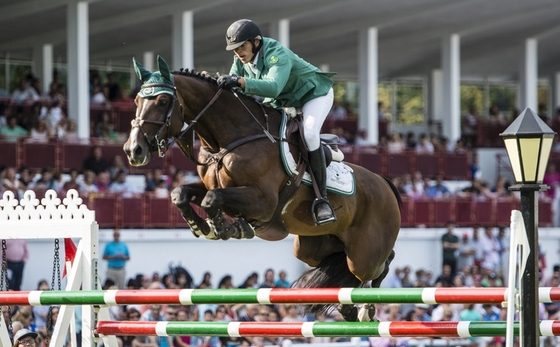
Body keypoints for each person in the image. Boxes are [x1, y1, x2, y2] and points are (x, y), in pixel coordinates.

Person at [218, 19, 336, 225]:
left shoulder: (275, 52)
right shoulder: (241, 60)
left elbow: (272, 87)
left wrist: (239, 81)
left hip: (313, 94)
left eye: (242, 46)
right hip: (285, 101)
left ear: (256, 42)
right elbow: (233, 87)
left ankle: (322, 200)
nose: (238, 52)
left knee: (308, 133)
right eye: (234, 49)